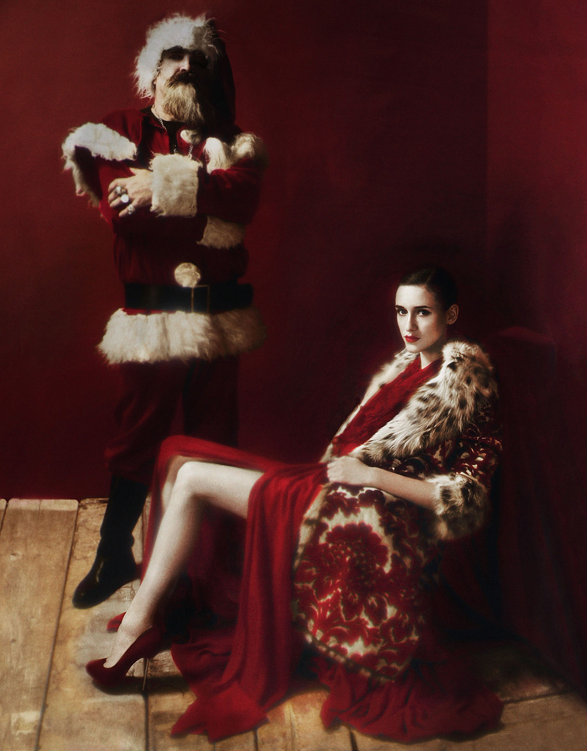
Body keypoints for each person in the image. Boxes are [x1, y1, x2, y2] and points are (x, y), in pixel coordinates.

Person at [86, 265, 503, 743]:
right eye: (401, 312)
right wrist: (352, 471)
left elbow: (466, 496)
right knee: (177, 454)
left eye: (422, 313)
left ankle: (138, 624)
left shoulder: (466, 387)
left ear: (450, 315)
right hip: (331, 488)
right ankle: (165, 600)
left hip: (371, 519)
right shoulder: (405, 368)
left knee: (193, 479)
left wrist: (372, 476)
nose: (408, 325)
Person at [62, 14, 268, 608]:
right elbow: (123, 215)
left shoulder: (234, 140)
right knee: (136, 438)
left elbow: (244, 200)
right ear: (152, 71)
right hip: (152, 320)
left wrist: (160, 187)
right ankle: (113, 554)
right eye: (174, 56)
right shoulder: (113, 132)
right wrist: (205, 208)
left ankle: (211, 569)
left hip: (220, 320)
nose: (186, 67)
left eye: (198, 60)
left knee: (216, 442)